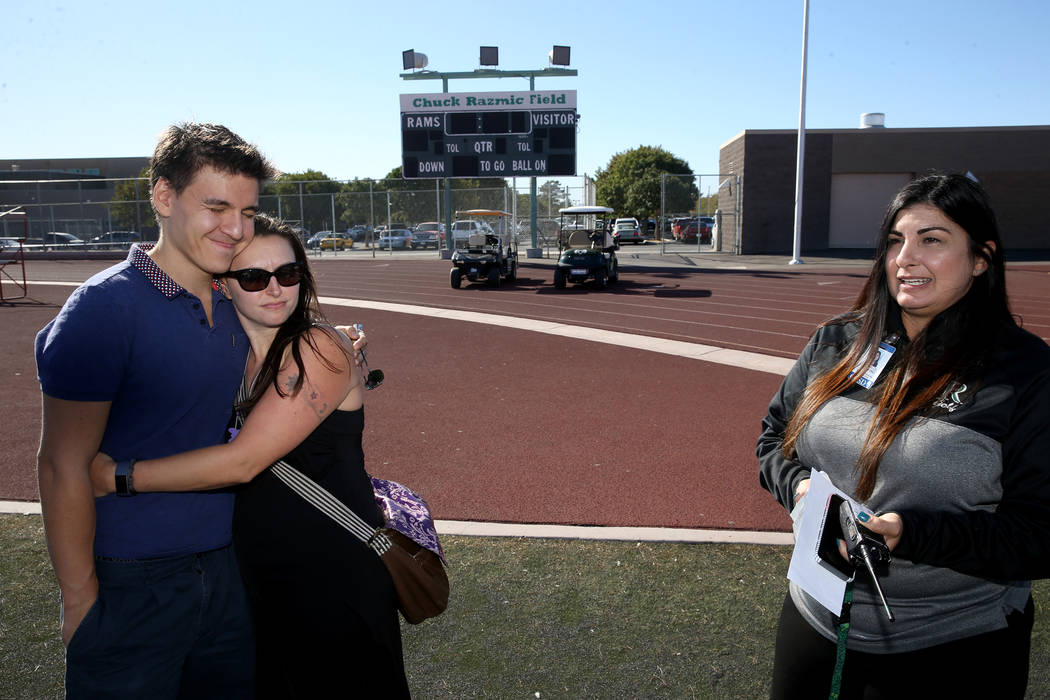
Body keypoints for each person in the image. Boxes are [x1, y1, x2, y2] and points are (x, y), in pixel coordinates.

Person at [90, 214, 410, 698]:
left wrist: (118, 476)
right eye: (255, 278)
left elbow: (243, 462)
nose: (276, 289)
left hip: (332, 574)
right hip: (259, 574)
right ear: (224, 285)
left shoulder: (319, 347)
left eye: (289, 273)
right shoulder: (234, 352)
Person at [757, 172, 1050, 699]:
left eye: (931, 240)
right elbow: (774, 439)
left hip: (954, 639)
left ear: (981, 258)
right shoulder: (837, 341)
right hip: (814, 614)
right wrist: (800, 488)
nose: (904, 258)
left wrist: (911, 534)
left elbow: (1041, 533)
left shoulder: (1027, 374)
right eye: (895, 241)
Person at [35, 122, 277, 698]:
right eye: (216, 207)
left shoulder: (237, 295)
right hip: (132, 579)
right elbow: (62, 466)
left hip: (230, 568)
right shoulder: (103, 309)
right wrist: (80, 598)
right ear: (164, 198)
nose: (236, 229)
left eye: (247, 211)